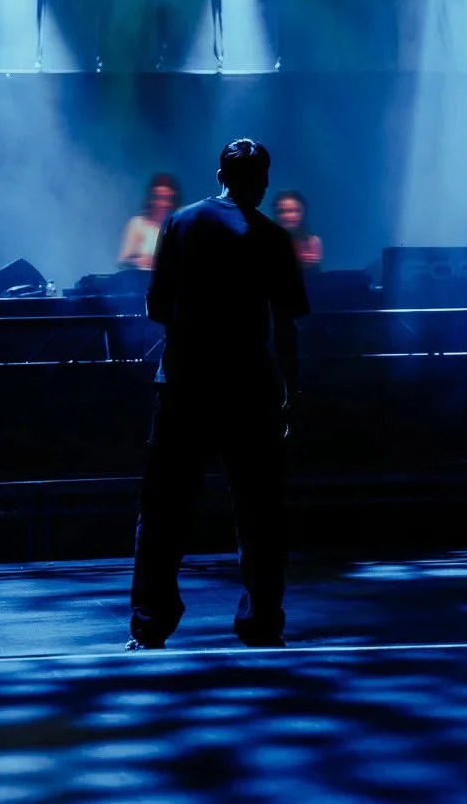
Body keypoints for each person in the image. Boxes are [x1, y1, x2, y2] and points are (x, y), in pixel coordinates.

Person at [127, 138, 309, 651]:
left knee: (163, 509)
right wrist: (292, 391)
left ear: (219, 175)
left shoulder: (180, 223)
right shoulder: (273, 237)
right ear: (264, 181)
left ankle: (150, 624)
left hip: (185, 383)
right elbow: (287, 325)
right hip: (249, 387)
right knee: (259, 511)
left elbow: (157, 307)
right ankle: (263, 623)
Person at [117, 174, 181, 271]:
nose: (163, 204)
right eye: (159, 198)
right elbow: (122, 262)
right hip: (142, 278)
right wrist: (141, 261)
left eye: (167, 199)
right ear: (151, 199)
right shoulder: (138, 224)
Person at [273, 190, 323, 271]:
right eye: (281, 211)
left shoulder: (313, 242)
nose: (288, 216)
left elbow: (316, 275)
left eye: (294, 210)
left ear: (304, 213)